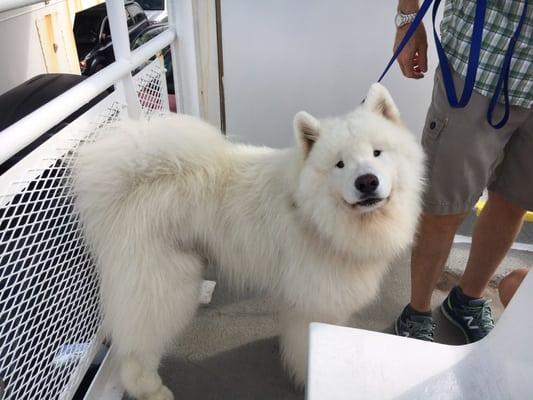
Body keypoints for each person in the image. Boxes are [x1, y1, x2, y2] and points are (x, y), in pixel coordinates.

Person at [392, 0, 532, 343]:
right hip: (480, 61)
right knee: (443, 203)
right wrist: (408, 18)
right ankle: (417, 312)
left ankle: (467, 300)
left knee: (514, 200)